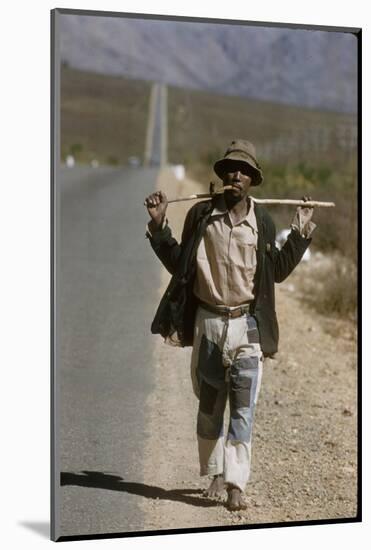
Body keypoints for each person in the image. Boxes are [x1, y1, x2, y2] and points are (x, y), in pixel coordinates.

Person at [144, 139, 315, 511]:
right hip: (208, 323)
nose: (236, 175)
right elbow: (180, 264)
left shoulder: (263, 223)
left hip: (247, 326)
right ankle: (216, 472)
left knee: (243, 408)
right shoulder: (202, 216)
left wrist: (300, 234)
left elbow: (279, 272)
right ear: (222, 176)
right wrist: (160, 228)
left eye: (244, 171)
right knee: (209, 407)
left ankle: (236, 483)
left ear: (253, 179)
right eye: (230, 169)